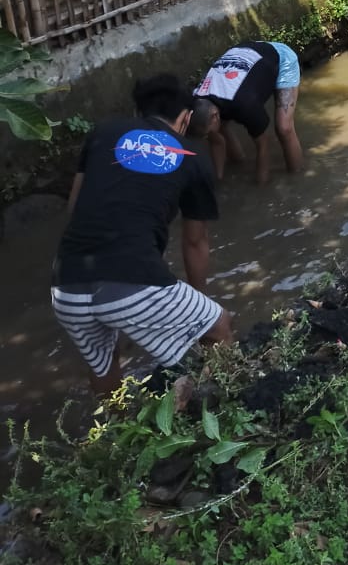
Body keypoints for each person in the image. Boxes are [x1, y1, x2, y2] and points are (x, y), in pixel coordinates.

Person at [51, 75, 232, 395]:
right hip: (130, 279)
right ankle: (224, 404)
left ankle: (112, 432)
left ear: (138, 114)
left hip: (66, 285)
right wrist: (199, 307)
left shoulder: (103, 133)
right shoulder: (193, 157)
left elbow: (75, 207)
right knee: (217, 325)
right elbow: (194, 242)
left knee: (104, 364)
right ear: (186, 118)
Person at [191, 41, 303, 184]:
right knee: (221, 128)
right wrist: (217, 181)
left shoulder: (245, 105)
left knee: (284, 128)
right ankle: (238, 162)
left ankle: (297, 177)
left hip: (280, 58)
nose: (208, 137)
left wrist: (260, 188)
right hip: (250, 55)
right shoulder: (198, 99)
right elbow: (216, 142)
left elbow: (263, 145)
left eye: (207, 134)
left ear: (214, 115)